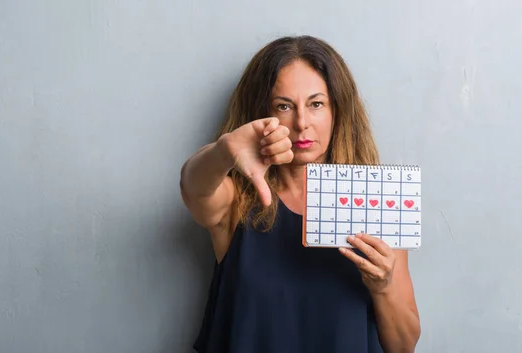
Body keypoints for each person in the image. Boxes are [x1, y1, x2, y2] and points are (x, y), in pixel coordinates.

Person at [179, 35, 421, 353]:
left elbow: (403, 346)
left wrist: (384, 286)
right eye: (284, 106)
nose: (301, 123)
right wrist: (225, 150)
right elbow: (192, 186)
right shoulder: (237, 199)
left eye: (316, 104)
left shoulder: (376, 201)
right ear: (262, 112)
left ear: (338, 111)